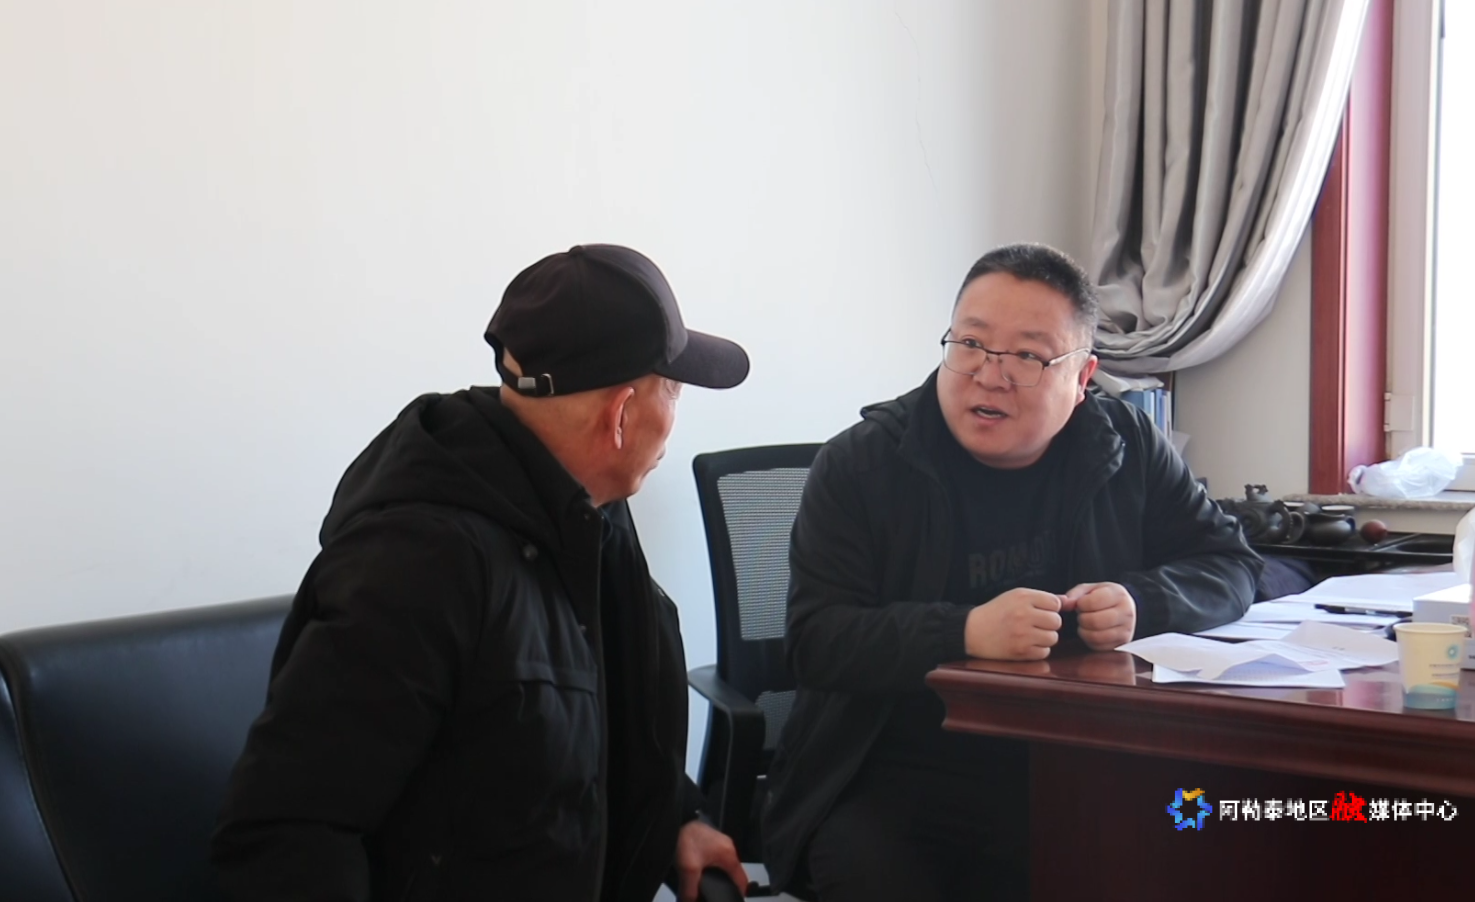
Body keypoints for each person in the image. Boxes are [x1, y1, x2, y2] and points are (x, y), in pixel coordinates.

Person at [212, 244, 752, 902]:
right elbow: (285, 834)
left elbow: (591, 720)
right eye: (672, 389)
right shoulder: (419, 567)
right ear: (620, 416)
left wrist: (673, 819)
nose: (674, 416)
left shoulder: (588, 514)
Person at [760, 243, 1261, 901]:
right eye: (970, 344)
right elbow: (816, 641)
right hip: (890, 770)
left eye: (1027, 356)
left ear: (1082, 378)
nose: (989, 376)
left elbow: (1232, 565)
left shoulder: (1126, 447)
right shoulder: (861, 465)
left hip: (1073, 762)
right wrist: (964, 632)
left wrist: (1143, 602)